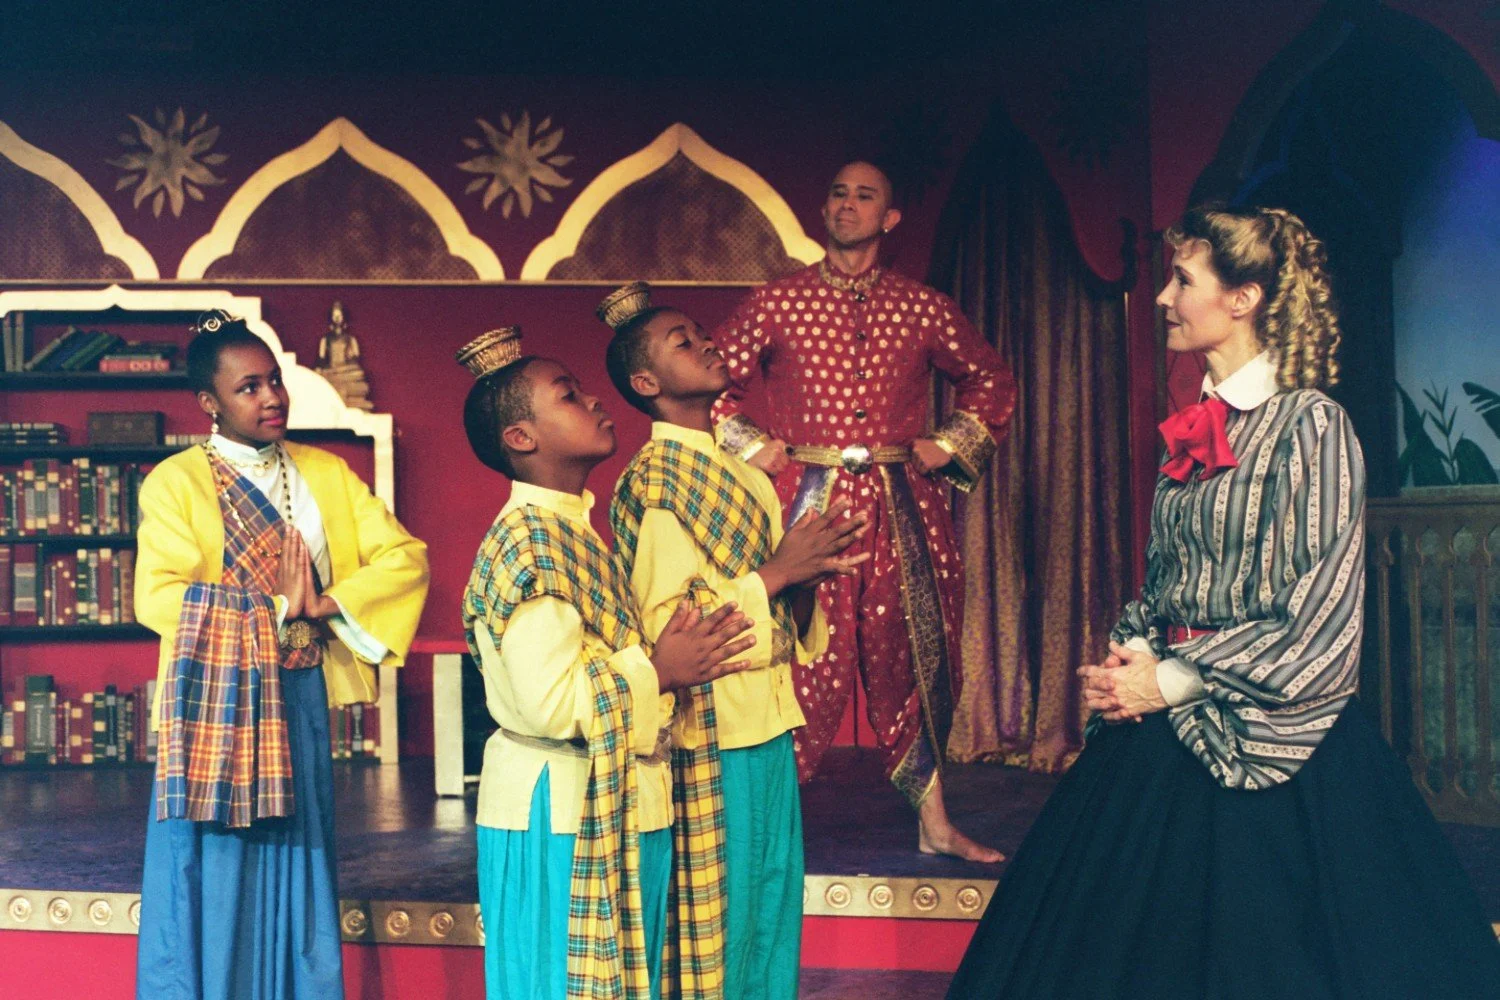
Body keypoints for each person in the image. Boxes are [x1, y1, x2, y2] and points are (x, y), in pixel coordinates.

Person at [946, 205, 1500, 998]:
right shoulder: (1197, 429)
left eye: (1183, 280)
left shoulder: (1313, 426)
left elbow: (1319, 619)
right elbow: (1167, 584)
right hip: (1162, 724)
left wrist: (1168, 679)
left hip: (1274, 738)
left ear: (1242, 298)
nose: (1166, 298)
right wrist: (1128, 657)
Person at [712, 160, 1017, 861]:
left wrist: (947, 444)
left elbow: (989, 377)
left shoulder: (921, 305)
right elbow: (708, 384)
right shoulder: (777, 302)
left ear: (890, 218)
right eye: (837, 192)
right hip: (804, 511)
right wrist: (753, 444)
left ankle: (935, 821)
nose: (847, 206)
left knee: (915, 655)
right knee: (785, 658)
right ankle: (759, 832)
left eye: (865, 196)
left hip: (902, 509)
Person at [134, 310, 430, 1000]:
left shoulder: (325, 474)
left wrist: (324, 603)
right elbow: (158, 597)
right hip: (210, 704)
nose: (271, 399)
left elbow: (404, 557)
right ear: (209, 403)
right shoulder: (175, 482)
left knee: (300, 862)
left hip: (296, 698)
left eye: (274, 382)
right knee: (206, 872)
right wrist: (272, 608)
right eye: (247, 388)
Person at [456, 326, 756, 999]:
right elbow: (550, 703)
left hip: (617, 798)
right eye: (568, 395)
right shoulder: (529, 542)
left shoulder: (571, 529)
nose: (594, 401)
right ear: (521, 438)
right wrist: (664, 670)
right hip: (559, 809)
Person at [600, 282, 867, 999]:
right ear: (646, 383)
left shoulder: (738, 470)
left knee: (771, 909)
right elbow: (668, 625)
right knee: (718, 921)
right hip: (709, 732)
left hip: (766, 719)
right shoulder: (655, 481)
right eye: (683, 341)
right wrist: (780, 572)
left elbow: (773, 587)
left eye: (701, 331)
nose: (708, 342)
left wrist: (809, 570)